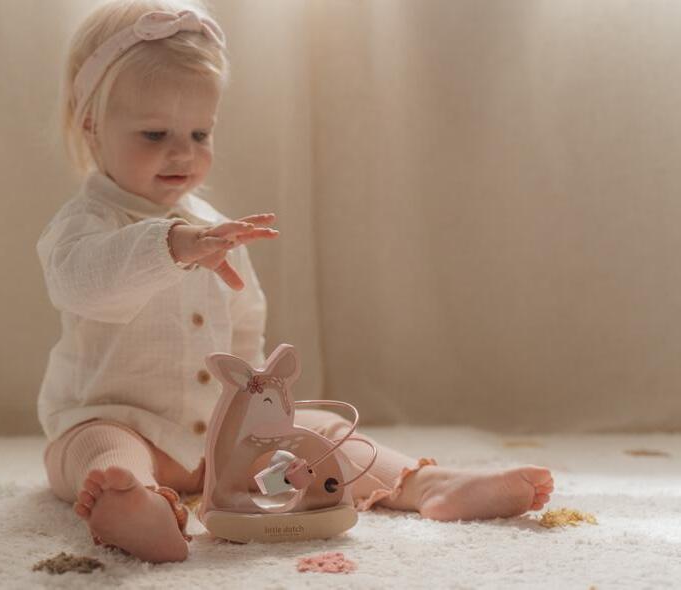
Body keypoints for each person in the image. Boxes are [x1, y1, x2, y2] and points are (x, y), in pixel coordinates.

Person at [37, 0, 555, 564]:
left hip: (220, 443)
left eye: (200, 133)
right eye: (155, 133)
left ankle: (423, 484)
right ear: (90, 123)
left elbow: (243, 329)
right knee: (100, 447)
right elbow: (84, 284)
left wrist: (259, 411)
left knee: (319, 429)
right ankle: (132, 502)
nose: (182, 152)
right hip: (121, 422)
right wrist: (173, 246)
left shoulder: (216, 227)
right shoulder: (85, 224)